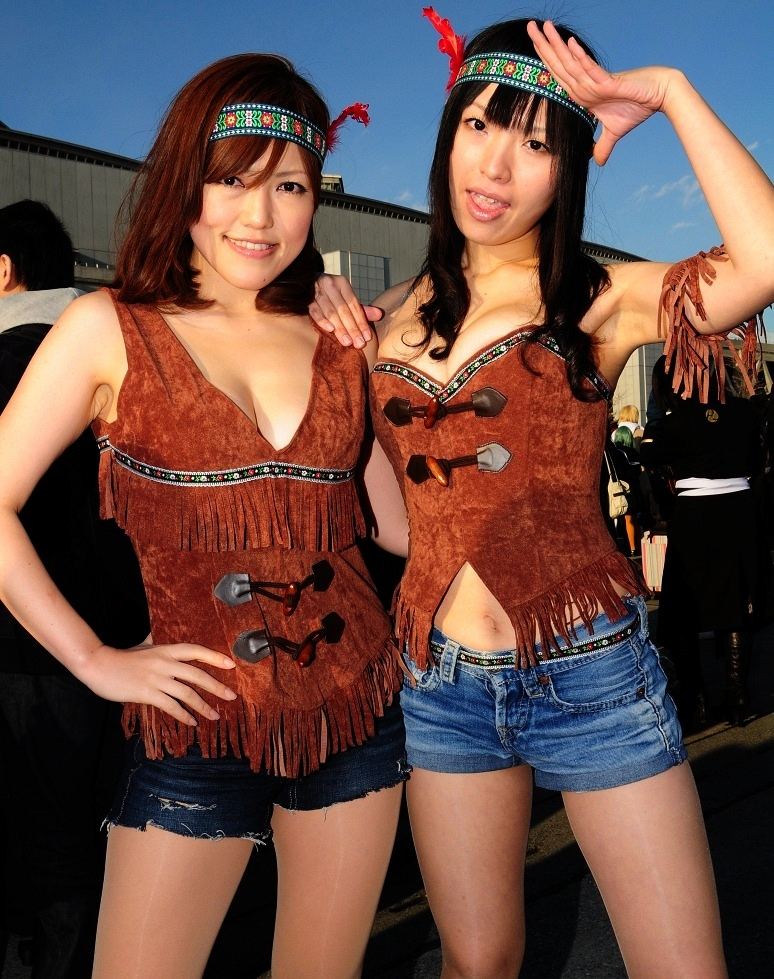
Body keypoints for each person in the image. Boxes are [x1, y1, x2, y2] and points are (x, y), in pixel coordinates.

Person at [311, 10, 773, 977]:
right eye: (480, 125)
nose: (495, 166)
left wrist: (670, 91)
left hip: (590, 672)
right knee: (478, 961)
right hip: (442, 686)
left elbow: (764, 262)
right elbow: (394, 520)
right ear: (448, 135)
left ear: (568, 169)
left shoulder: (598, 298)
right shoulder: (380, 324)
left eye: (535, 143)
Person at [0, 55, 410, 979]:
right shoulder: (110, 326)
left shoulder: (339, 340)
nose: (258, 217)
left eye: (290, 186)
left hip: (354, 716)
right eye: (232, 181)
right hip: (192, 729)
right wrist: (94, 658)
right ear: (186, 182)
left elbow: (398, 528)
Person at [0, 200, 149, 978]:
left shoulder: (10, 356)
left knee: (40, 851)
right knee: (101, 831)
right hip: (132, 640)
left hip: (25, 650)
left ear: (3, 270)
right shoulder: (129, 348)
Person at [641, 356, 765, 728]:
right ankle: (737, 696)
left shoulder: (673, 420)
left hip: (694, 513)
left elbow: (649, 454)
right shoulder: (743, 412)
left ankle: (695, 700)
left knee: (683, 609)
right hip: (740, 510)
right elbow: (756, 461)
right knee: (737, 601)